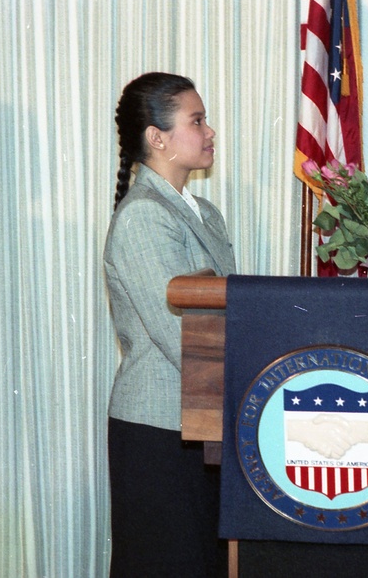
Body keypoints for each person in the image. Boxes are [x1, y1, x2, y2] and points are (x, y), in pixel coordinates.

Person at [103, 72, 236, 576]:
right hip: (159, 430)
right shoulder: (144, 217)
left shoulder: (204, 213)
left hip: (200, 423)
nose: (209, 132)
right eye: (196, 121)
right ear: (157, 138)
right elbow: (182, 336)